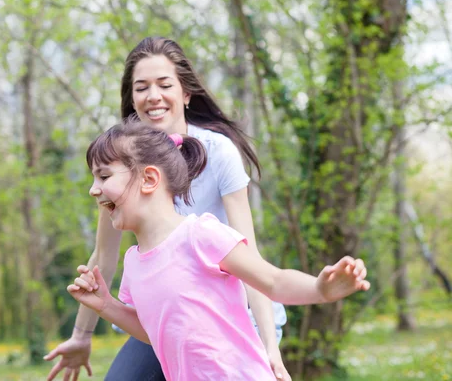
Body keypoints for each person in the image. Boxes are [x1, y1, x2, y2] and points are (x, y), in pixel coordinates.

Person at [45, 36, 289, 381]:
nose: (153, 96)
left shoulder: (218, 152)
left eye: (164, 84)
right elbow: (104, 255)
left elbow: (251, 256)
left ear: (186, 93)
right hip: (166, 311)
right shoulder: (118, 163)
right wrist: (81, 336)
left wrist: (269, 347)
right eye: (141, 87)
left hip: (229, 316)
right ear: (132, 99)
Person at [66, 120, 370, 380]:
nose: (94, 189)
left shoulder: (201, 234)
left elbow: (273, 281)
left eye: (104, 176)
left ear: (149, 179)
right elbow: (156, 334)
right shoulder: (133, 263)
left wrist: (320, 289)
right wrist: (105, 304)